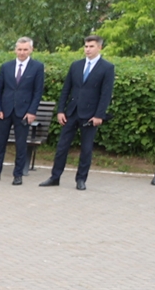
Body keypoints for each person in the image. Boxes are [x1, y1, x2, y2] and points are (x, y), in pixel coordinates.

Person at [42, 35, 114, 190]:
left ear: (99, 47)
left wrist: (99, 115)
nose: (87, 49)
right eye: (86, 46)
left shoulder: (107, 67)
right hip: (72, 112)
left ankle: (81, 179)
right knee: (62, 146)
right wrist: (61, 110)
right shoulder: (76, 65)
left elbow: (106, 94)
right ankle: (55, 177)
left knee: (86, 149)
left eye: (91, 46)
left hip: (90, 115)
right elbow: (66, 89)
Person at [0, 37, 45, 185]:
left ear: (31, 50)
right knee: (0, 143)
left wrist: (32, 112)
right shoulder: (6, 66)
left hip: (23, 112)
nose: (22, 52)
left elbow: (38, 92)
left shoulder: (37, 67)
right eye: (19, 49)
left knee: (21, 144)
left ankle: (18, 174)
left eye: (25, 49)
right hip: (5, 111)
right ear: (15, 50)